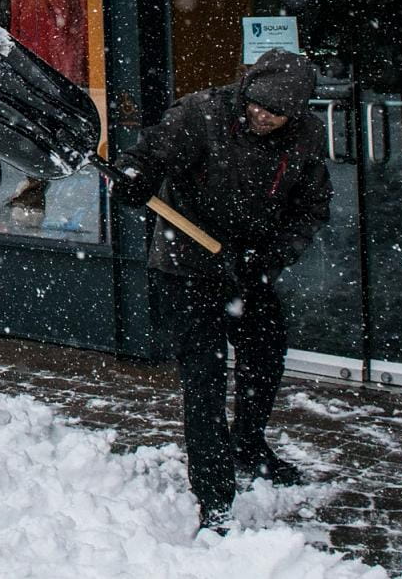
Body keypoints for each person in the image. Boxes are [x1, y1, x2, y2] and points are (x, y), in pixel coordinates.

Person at [111, 48, 331, 533]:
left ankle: (248, 445)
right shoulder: (202, 113)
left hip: (248, 268)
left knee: (265, 352)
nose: (262, 115)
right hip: (186, 267)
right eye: (256, 103)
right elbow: (150, 156)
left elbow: (312, 208)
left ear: (296, 112)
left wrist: (268, 255)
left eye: (275, 112)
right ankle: (215, 495)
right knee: (205, 379)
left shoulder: (308, 137)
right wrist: (133, 175)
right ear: (245, 89)